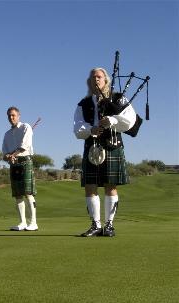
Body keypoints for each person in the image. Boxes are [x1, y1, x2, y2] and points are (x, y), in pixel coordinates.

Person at [73, 67, 136, 237]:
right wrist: (90, 129)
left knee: (110, 185)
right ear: (90, 82)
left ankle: (109, 225)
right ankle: (95, 225)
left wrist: (113, 119)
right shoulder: (83, 103)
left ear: (106, 80)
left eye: (99, 77)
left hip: (112, 144)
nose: (96, 80)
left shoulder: (118, 98)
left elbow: (131, 120)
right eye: (93, 77)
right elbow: (77, 128)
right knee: (90, 186)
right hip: (92, 146)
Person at [2, 107, 38, 231]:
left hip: (25, 161)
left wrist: (13, 154)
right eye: (9, 116)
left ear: (19, 115)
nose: (11, 118)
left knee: (28, 193)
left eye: (13, 115)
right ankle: (22, 222)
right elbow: (4, 153)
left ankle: (33, 223)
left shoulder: (26, 127)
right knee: (18, 195)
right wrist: (8, 157)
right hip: (14, 164)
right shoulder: (7, 134)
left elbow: (24, 146)